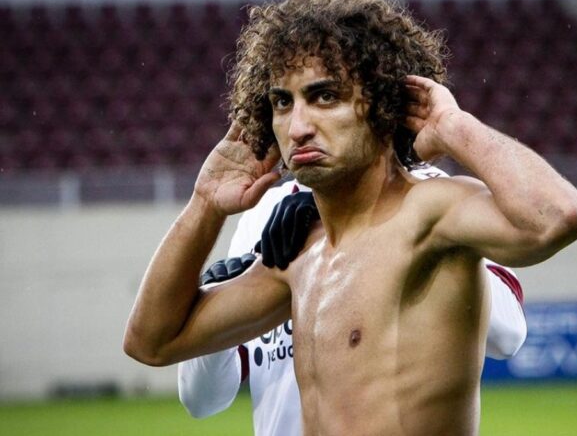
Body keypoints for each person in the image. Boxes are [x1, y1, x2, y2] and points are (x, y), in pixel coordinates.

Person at [123, 0, 577, 435]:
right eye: (282, 102)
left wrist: (453, 126)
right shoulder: (297, 258)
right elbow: (152, 342)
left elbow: (558, 217)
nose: (298, 127)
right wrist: (206, 203)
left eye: (325, 96)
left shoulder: (431, 213)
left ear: (384, 106)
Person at [177, 168, 528, 436]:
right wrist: (217, 292)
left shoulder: (434, 195)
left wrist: (380, 227)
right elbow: (201, 400)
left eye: (326, 101)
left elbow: (508, 335)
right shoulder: (261, 213)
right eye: (284, 105)